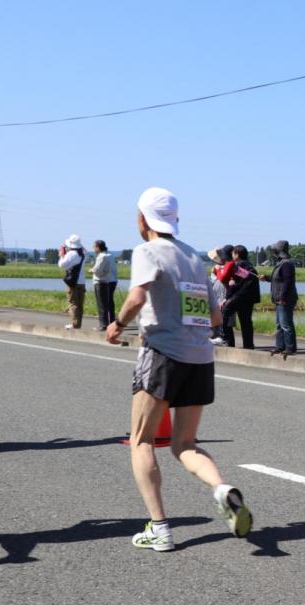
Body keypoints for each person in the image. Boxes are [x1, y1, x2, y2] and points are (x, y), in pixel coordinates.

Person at [105, 187, 252, 551]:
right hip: (200, 358)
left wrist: (116, 325)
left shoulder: (147, 251)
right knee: (184, 443)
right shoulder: (193, 257)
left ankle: (161, 529)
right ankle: (221, 488)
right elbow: (216, 315)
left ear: (142, 218)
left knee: (142, 442)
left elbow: (137, 297)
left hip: (162, 355)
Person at [221, 245, 260, 348]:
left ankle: (224, 337)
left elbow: (234, 284)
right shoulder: (249, 265)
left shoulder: (239, 265)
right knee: (246, 322)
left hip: (241, 296)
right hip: (249, 298)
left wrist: (227, 297)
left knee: (224, 311)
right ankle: (248, 345)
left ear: (237, 254)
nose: (232, 256)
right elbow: (244, 280)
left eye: (233, 253)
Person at [263, 240, 298, 354]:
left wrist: (283, 298)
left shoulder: (286, 263)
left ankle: (290, 348)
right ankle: (280, 346)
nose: (274, 252)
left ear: (279, 251)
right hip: (279, 298)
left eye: (275, 250)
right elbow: (277, 278)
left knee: (286, 324)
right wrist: (266, 278)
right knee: (279, 324)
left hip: (284, 299)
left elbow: (288, 282)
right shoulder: (281, 262)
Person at [58, 234, 86, 329]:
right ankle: (78, 323)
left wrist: (62, 255)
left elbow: (62, 265)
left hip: (73, 282)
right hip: (82, 282)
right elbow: (84, 250)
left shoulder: (71, 254)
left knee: (73, 303)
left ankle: (75, 324)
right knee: (80, 304)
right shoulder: (83, 254)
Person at [90, 239, 117, 331]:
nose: (93, 248)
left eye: (94, 247)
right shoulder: (110, 255)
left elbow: (97, 270)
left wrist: (91, 270)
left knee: (102, 304)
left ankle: (103, 324)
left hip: (102, 281)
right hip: (111, 280)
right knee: (108, 303)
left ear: (98, 247)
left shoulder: (102, 256)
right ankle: (111, 321)